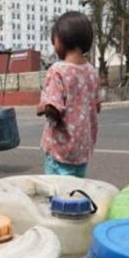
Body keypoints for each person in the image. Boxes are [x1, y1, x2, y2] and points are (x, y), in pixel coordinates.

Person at [37, 11, 100, 178]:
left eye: (54, 41)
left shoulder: (57, 71)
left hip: (60, 150)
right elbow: (97, 106)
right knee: (75, 192)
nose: (54, 45)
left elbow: (54, 109)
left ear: (62, 39)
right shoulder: (92, 71)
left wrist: (41, 108)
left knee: (57, 195)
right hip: (82, 150)